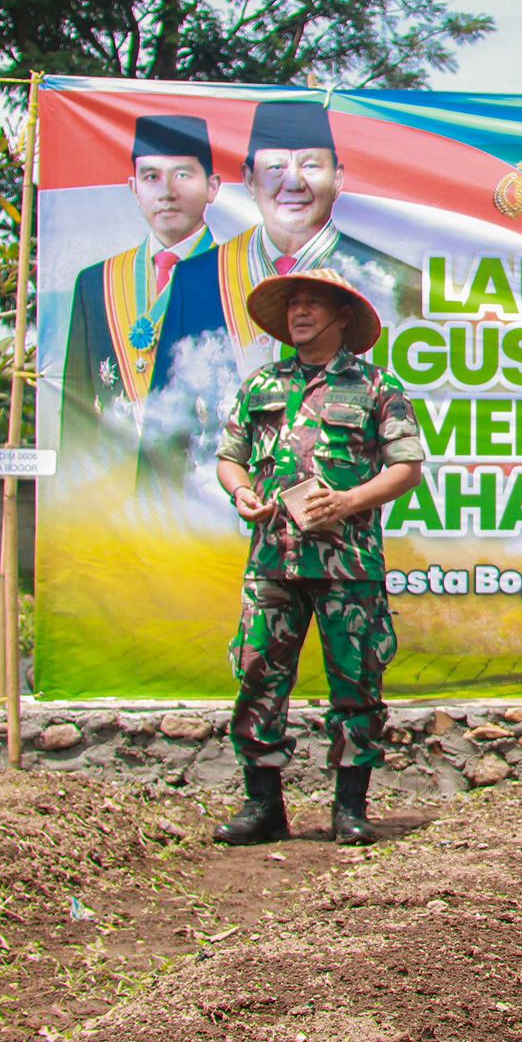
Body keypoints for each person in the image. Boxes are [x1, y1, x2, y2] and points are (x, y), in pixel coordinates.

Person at [211, 268, 425, 848]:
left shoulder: (378, 387)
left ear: (341, 317)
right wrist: (241, 493)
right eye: (294, 304)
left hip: (347, 566)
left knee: (356, 683)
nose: (299, 313)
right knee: (257, 676)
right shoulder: (261, 386)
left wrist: (349, 501)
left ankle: (350, 808)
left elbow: (407, 468)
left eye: (312, 304)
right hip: (271, 562)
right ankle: (264, 808)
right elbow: (229, 457)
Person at [160, 100, 423, 379]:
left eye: (310, 166)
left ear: (337, 178)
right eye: (275, 167)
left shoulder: (392, 278)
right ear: (249, 179)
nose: (294, 183)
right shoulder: (194, 277)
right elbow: (163, 412)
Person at [60, 115, 221, 471]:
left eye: (182, 175)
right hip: (112, 499)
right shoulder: (95, 283)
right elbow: (77, 409)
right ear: (134, 188)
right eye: (151, 177)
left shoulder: (238, 278)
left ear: (212, 186)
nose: (166, 191)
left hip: (206, 497)